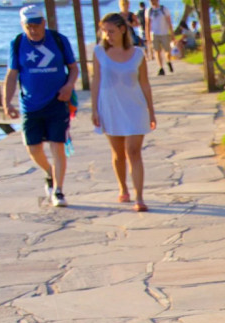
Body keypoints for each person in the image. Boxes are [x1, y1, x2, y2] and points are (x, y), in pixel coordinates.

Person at [3, 5, 80, 207]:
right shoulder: (18, 43)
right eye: (29, 26)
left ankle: (59, 191)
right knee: (33, 148)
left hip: (57, 102)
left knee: (58, 147)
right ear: (22, 25)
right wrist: (6, 103)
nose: (34, 30)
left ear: (44, 23)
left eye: (37, 25)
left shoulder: (58, 40)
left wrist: (69, 86)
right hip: (30, 105)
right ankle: (49, 172)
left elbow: (73, 68)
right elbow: (12, 75)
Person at [92, 12, 157, 211]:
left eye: (111, 31)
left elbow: (144, 83)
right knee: (118, 153)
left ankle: (139, 197)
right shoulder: (99, 52)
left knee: (133, 151)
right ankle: (123, 188)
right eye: (104, 32)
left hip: (135, 107)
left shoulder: (138, 54)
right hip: (110, 107)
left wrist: (151, 111)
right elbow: (96, 81)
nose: (107, 36)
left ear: (122, 30)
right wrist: (94, 108)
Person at [145, 0, 174, 75]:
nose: (151, 1)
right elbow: (147, 23)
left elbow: (169, 21)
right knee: (157, 50)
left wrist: (171, 33)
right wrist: (147, 35)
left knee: (167, 51)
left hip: (164, 33)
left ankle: (168, 61)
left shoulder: (163, 9)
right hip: (154, 34)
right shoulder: (149, 11)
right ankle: (161, 68)